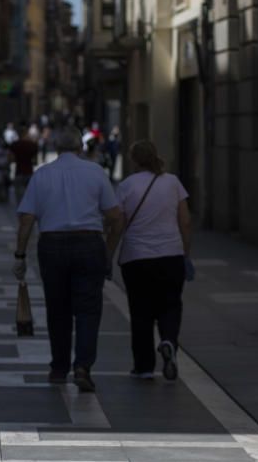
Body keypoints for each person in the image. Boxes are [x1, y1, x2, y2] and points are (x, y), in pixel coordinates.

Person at [13, 127, 124, 393]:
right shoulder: (96, 172)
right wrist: (108, 251)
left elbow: (27, 218)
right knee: (88, 309)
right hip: (89, 243)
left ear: (56, 147)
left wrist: (20, 255)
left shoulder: (42, 175)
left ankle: (59, 368)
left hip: (52, 246)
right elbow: (115, 217)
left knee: (57, 309)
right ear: (81, 148)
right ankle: (83, 367)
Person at [116, 140, 194, 382]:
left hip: (137, 258)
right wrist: (185, 253)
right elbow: (186, 221)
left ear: (134, 160)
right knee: (171, 304)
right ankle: (168, 340)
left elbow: (118, 223)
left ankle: (144, 367)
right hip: (171, 255)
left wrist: (108, 253)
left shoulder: (126, 186)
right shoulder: (173, 183)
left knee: (141, 312)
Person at [8, 126, 39, 203]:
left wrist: (18, 158)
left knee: (19, 200)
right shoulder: (33, 145)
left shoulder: (14, 145)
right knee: (30, 200)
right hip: (29, 173)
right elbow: (35, 161)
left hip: (18, 173)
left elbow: (10, 159)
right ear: (26, 134)